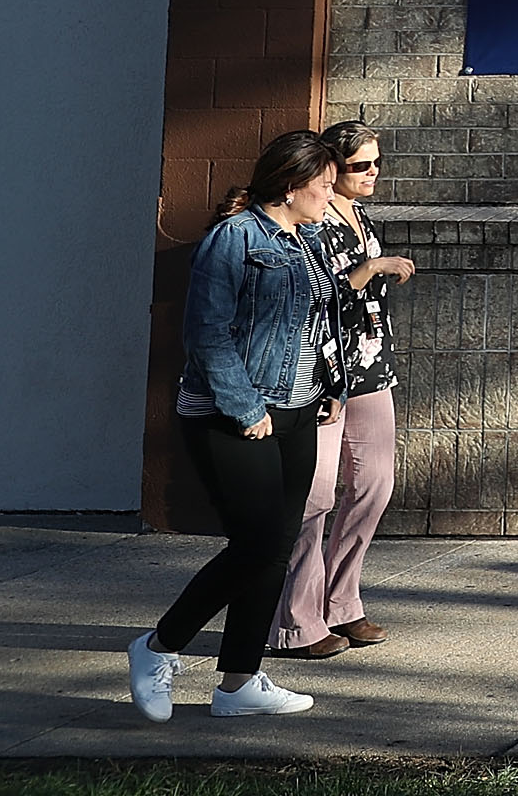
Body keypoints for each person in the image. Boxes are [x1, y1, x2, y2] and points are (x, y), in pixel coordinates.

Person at [128, 131, 348, 720]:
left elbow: (317, 323)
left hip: (298, 411)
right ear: (290, 185)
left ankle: (239, 684)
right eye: (324, 185)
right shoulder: (236, 238)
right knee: (256, 545)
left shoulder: (310, 240)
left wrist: (331, 384)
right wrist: (246, 408)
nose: (331, 195)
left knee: (275, 550)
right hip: (237, 414)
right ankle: (158, 647)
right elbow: (206, 332)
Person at [271, 120, 416, 659]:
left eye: (377, 163)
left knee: (374, 485)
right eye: (360, 165)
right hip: (321, 372)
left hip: (370, 366)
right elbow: (318, 293)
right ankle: (296, 621)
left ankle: (342, 602)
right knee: (315, 495)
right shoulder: (312, 217)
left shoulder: (360, 213)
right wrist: (372, 267)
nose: (372, 172)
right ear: (331, 166)